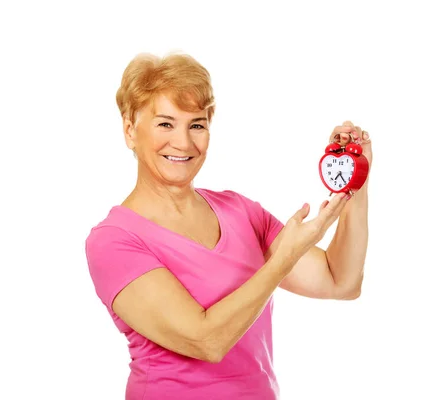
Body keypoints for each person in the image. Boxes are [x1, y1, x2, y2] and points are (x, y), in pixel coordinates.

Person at [84, 52, 372, 400]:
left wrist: (354, 178)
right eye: (165, 123)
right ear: (130, 129)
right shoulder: (113, 241)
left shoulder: (239, 211)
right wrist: (282, 260)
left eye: (197, 124)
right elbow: (205, 341)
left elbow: (341, 281)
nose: (183, 142)